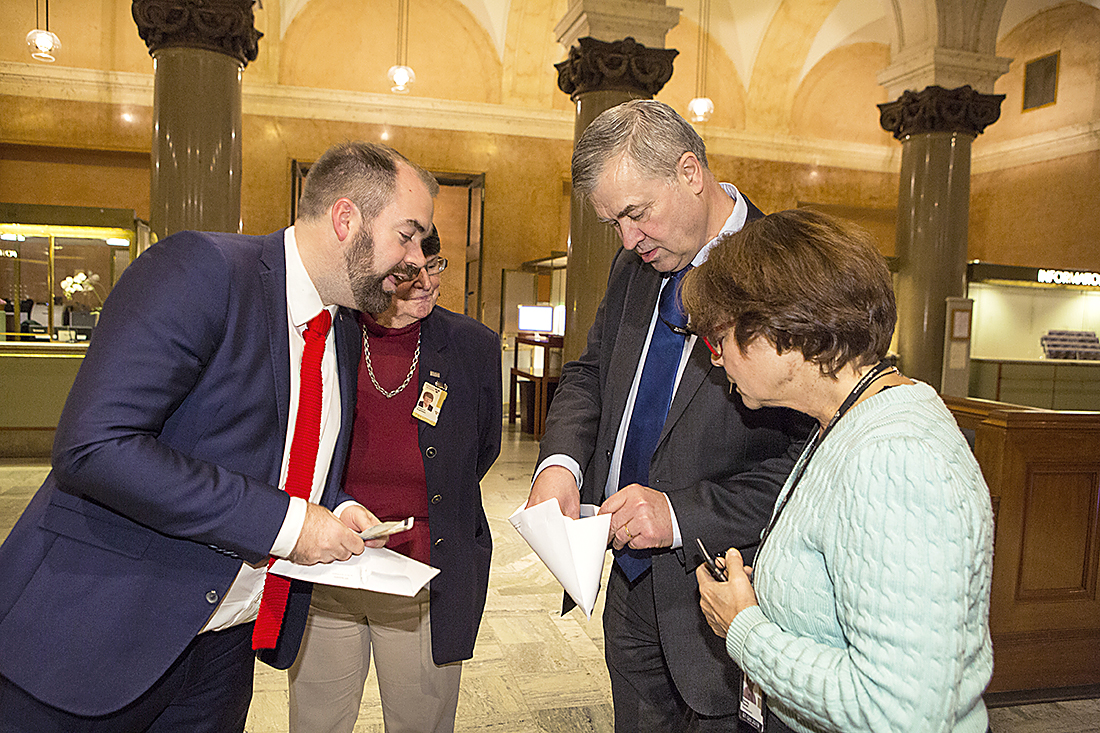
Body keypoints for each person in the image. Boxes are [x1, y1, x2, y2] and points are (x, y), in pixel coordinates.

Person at [0, 141, 438, 732]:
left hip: (221, 654)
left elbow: (278, 457)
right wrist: (291, 525)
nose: (416, 260)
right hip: (94, 636)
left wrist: (336, 509)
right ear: (345, 219)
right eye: (407, 236)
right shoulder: (202, 270)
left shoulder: (339, 330)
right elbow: (95, 445)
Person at [525, 99, 811, 731]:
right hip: (627, 577)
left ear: (689, 172)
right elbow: (591, 372)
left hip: (723, 590)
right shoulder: (637, 264)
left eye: (636, 213)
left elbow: (806, 470)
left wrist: (679, 515)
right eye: (614, 223)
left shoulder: (784, 275)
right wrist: (561, 462)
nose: (627, 240)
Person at [686, 209, 994, 733]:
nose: (716, 361)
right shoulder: (848, 419)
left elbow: (900, 712)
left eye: (720, 341)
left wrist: (744, 628)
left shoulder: (896, 458)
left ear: (781, 333)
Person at [289, 228, 501, 733]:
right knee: (316, 720)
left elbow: (481, 450)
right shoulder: (326, 333)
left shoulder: (473, 346)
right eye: (410, 272)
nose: (428, 282)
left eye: (436, 265)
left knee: (421, 721)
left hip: (424, 572)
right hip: (328, 568)